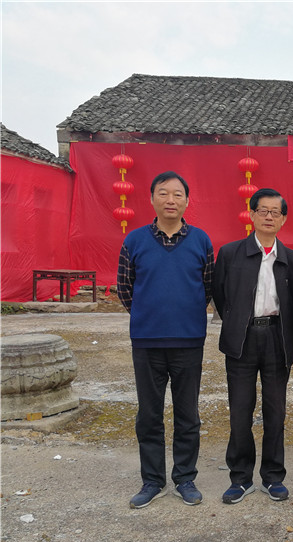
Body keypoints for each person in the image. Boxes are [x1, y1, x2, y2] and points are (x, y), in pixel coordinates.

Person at [117, 171, 214, 509]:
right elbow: (125, 288)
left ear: (187, 200)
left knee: (188, 414)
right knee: (149, 414)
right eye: (163, 193)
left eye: (177, 194)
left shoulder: (201, 241)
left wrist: (184, 314)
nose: (170, 200)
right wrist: (149, 314)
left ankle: (185, 478)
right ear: (152, 198)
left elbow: (207, 287)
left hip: (188, 341)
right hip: (147, 341)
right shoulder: (134, 241)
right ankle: (152, 480)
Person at [213, 188, 293, 504]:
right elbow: (221, 295)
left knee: (276, 411)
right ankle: (240, 478)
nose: (268, 217)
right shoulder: (230, 253)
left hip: (277, 338)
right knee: (240, 410)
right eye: (262, 210)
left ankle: (273, 477)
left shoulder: (292, 260)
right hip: (242, 339)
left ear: (283, 219)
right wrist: (238, 322)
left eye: (275, 212)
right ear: (251, 214)